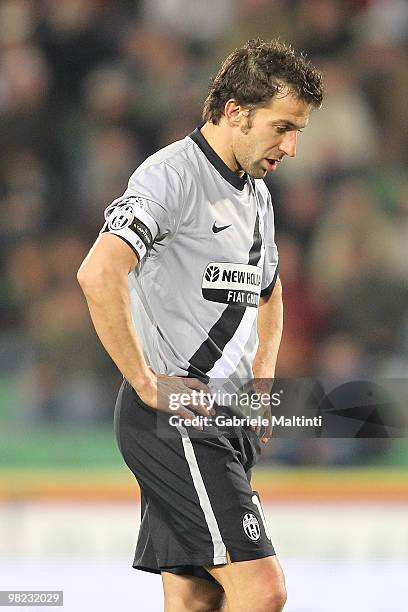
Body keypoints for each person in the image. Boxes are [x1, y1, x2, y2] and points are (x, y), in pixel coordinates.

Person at [78, 38, 323, 612]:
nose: (290, 147)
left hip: (227, 417)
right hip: (180, 414)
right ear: (236, 111)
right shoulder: (170, 177)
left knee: (196, 599)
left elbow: (270, 291)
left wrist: (261, 383)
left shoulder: (257, 195)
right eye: (282, 127)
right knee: (263, 591)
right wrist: (144, 381)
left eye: (299, 133)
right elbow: (99, 272)